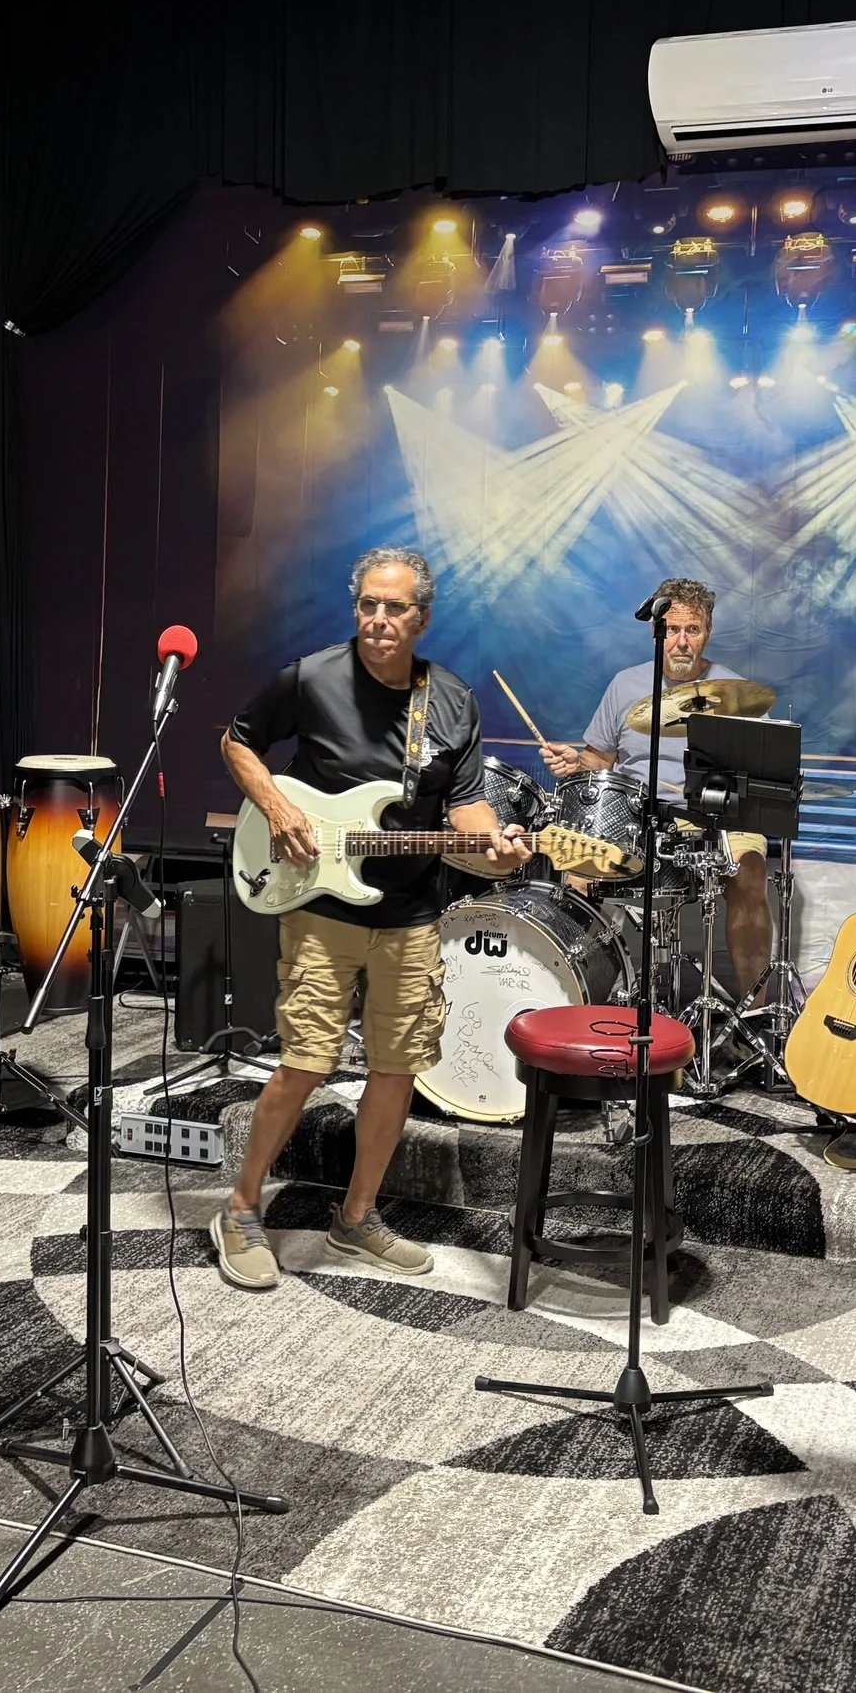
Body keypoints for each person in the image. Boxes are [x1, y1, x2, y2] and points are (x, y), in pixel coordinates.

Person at [212, 547, 530, 1289]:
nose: (379, 621)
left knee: (396, 1069)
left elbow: (466, 805)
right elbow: (237, 740)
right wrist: (279, 804)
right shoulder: (311, 676)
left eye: (395, 609)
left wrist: (495, 840)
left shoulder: (451, 700)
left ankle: (356, 1217)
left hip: (413, 910)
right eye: (368, 605)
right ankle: (239, 1206)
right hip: (320, 902)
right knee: (308, 1061)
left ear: (422, 616)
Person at [539, 578, 773, 1002]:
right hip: (634, 813)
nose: (681, 642)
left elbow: (760, 776)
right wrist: (576, 763)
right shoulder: (625, 685)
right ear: (654, 632)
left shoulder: (738, 695)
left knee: (749, 869)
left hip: (712, 813)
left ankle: (756, 1010)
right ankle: (570, 997)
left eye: (693, 630)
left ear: (708, 632)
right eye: (671, 630)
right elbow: (599, 761)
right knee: (578, 871)